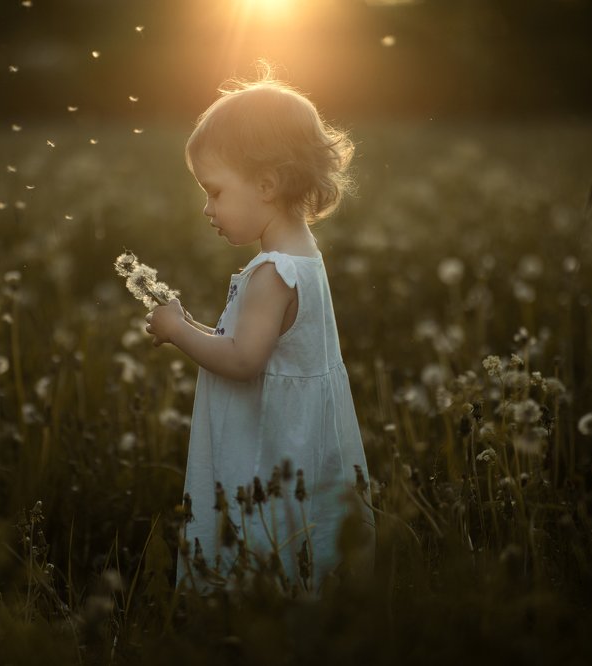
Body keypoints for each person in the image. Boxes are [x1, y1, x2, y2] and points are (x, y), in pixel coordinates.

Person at [145, 66, 374, 596]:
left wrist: (180, 332)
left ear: (267, 185)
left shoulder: (271, 274)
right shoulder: (303, 258)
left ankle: (251, 612)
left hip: (268, 445)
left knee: (261, 536)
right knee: (301, 537)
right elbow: (256, 349)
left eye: (216, 190)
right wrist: (194, 322)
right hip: (299, 435)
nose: (207, 207)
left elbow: (245, 362)